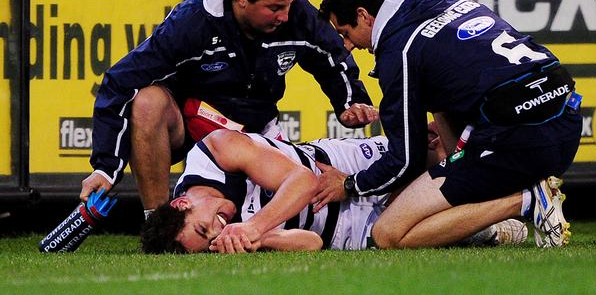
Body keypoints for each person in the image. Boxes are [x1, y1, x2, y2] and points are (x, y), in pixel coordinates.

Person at [79, 0, 378, 216]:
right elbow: (120, 81)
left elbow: (332, 56)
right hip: (192, 129)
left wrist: (351, 101)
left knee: (296, 210)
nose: (285, 17)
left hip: (257, 136)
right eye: (275, 8)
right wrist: (106, 168)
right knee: (146, 102)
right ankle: (159, 222)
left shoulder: (296, 14)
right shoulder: (191, 23)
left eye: (288, 5)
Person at [315, 0, 582, 248]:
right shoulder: (456, 6)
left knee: (388, 234)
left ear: (363, 15)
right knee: (443, 118)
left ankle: (526, 201)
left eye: (346, 33)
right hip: (567, 123)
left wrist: (349, 185)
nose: (348, 45)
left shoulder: (398, 50)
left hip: (520, 144)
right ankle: (499, 201)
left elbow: (405, 160)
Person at [141, 129, 529, 254]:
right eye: (210, 241)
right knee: (390, 239)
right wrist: (267, 239)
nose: (218, 230)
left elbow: (303, 181)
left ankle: (525, 155)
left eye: (205, 227)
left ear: (183, 202)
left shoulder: (217, 150)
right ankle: (517, 205)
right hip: (346, 230)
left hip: (341, 170)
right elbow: (310, 242)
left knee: (439, 145)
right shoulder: (228, 242)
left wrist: (254, 226)